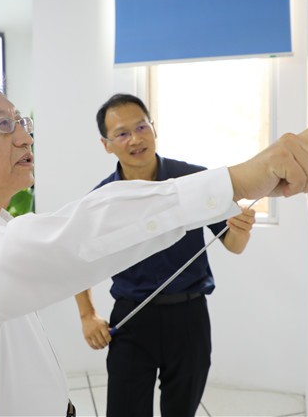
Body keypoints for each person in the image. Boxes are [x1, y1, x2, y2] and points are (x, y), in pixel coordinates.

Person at [0, 69, 308, 416]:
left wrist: (236, 203)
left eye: (22, 122)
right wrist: (239, 178)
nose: (25, 136)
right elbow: (63, 245)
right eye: (3, 125)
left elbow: (60, 247)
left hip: (188, 314)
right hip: (134, 316)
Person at [74, 94, 256, 416]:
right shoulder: (100, 200)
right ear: (107, 145)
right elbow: (77, 262)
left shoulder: (194, 180)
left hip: (189, 318)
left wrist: (241, 228)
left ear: (154, 128)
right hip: (131, 320)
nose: (135, 139)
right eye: (122, 133)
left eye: (141, 127)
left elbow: (233, 244)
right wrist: (87, 315)